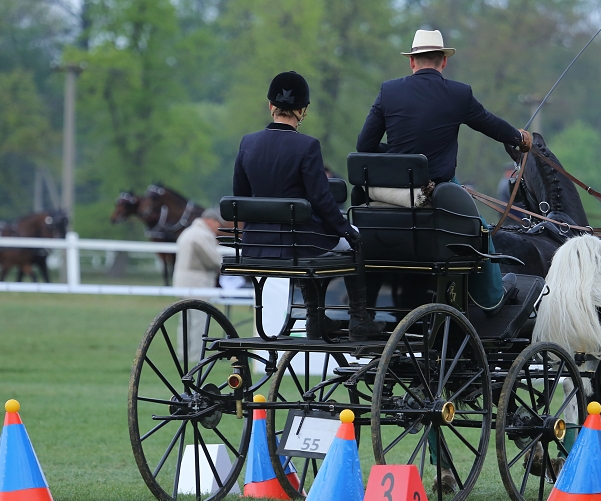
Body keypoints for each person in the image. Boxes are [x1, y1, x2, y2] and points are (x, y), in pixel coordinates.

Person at [356, 29, 532, 313]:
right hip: (437, 193)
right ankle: (491, 298)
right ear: (443, 62)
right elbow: (491, 124)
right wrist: (519, 138)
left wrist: (402, 157)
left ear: (412, 62)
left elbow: (364, 144)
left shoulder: (389, 91)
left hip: (391, 194)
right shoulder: (458, 94)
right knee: (481, 231)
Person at [233, 71, 383, 341]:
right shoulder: (307, 146)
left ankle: (315, 318)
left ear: (271, 106)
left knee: (307, 242)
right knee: (352, 242)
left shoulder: (248, 143)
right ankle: (359, 318)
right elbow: (322, 200)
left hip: (255, 243)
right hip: (298, 243)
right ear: (302, 111)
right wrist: (346, 230)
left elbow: (240, 195)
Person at [173, 208, 225, 362]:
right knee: (198, 320)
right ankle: (196, 356)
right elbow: (213, 259)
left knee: (185, 321)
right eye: (218, 224)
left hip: (182, 282)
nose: (218, 229)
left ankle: (183, 354)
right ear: (211, 220)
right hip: (197, 284)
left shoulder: (188, 232)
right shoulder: (201, 235)